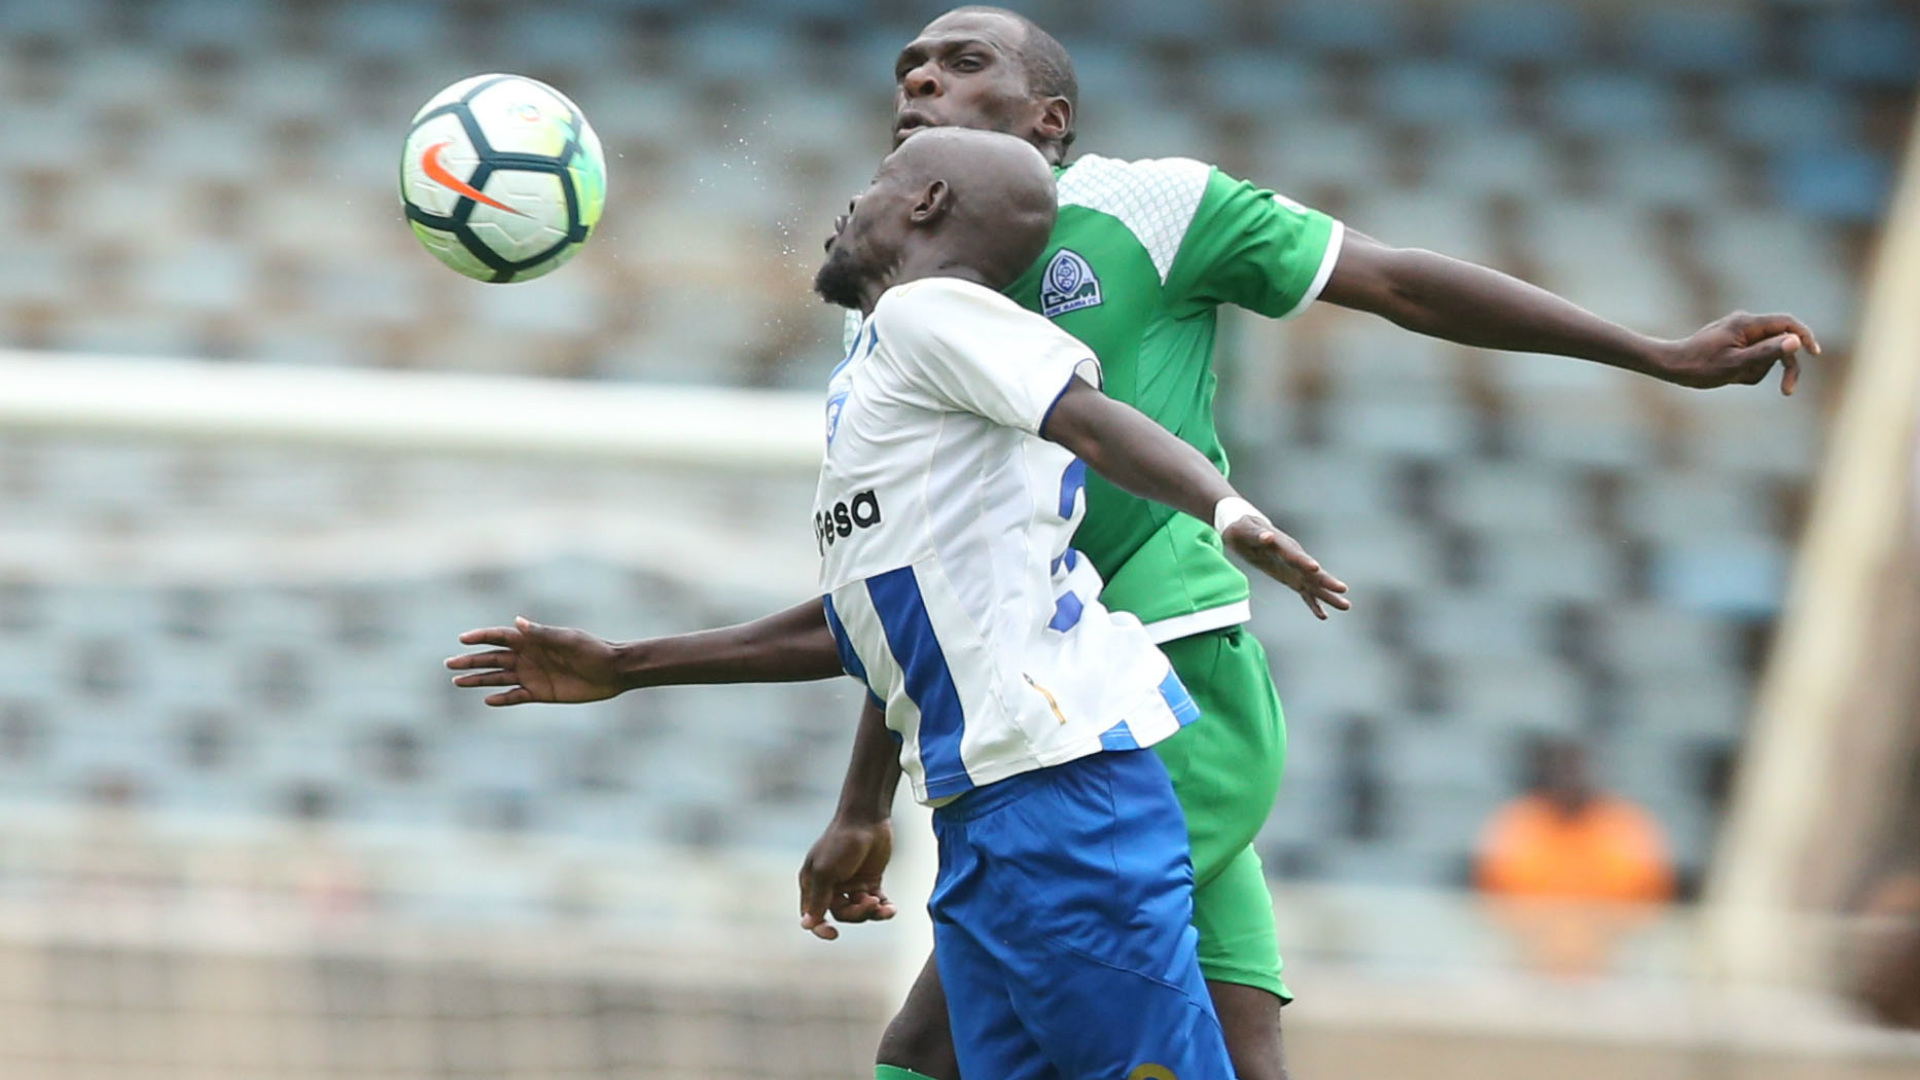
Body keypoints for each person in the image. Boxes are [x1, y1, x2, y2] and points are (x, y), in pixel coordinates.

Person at [448, 8, 1821, 1079]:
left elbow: (1398, 281)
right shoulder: (906, 316)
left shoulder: (1154, 207)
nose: (917, 81)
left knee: (937, 1047)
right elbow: (905, 588)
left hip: (1158, 703)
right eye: (907, 69)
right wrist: (866, 791)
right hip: (1072, 713)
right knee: (1243, 1050)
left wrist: (1650, 352)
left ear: (1044, 115)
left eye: (959, 62)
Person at [756, 124, 1345, 1077]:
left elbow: (1099, 425)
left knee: (959, 1048)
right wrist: (628, 667)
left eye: (874, 179)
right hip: (997, 790)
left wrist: (1225, 507)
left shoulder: (931, 316)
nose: (846, 201)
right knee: (1219, 1035)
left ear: (928, 202)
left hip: (1075, 768)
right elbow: (877, 620)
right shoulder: (891, 372)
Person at [1475, 737, 1676, 974]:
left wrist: (1592, 938)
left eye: (1577, 771)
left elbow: (1650, 904)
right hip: (1527, 961)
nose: (1569, 781)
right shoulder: (1518, 824)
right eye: (1561, 772)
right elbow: (1495, 903)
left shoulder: (1626, 827)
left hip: (1613, 963)